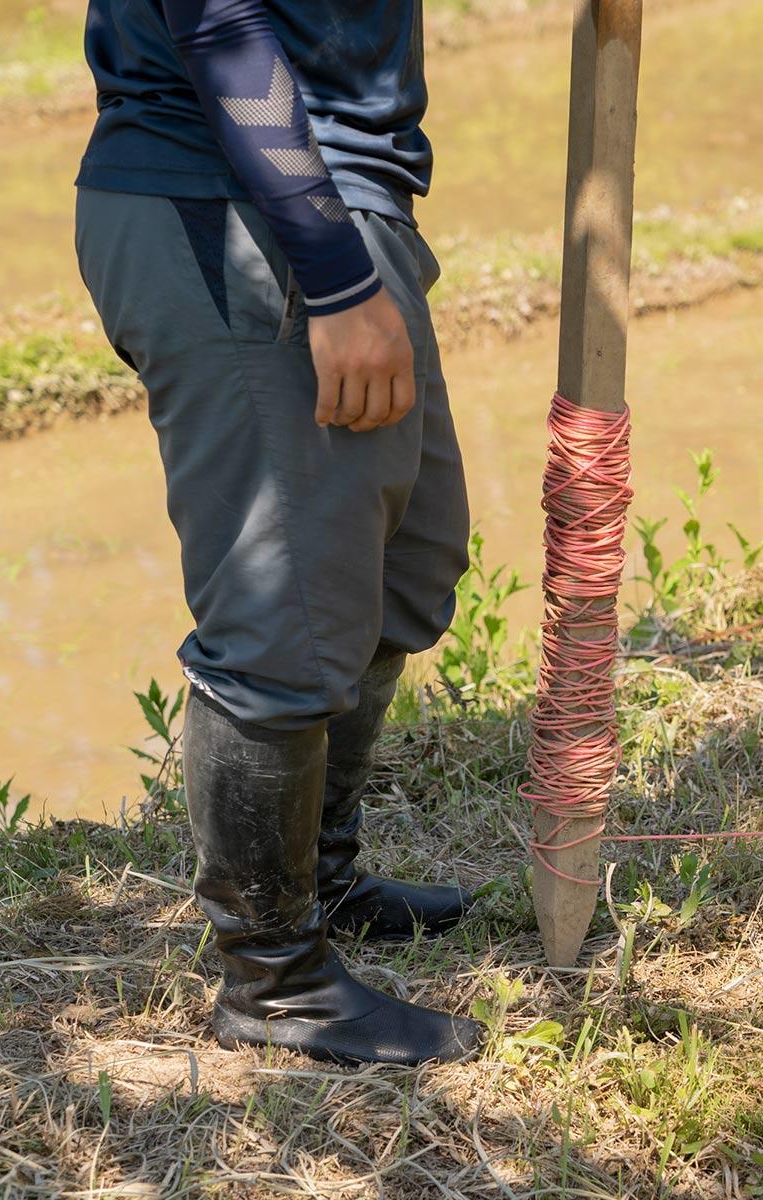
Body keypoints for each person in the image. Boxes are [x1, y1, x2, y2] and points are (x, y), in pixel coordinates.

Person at [72, 0, 481, 1066]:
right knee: (282, 616)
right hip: (242, 200)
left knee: (406, 568)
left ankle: (321, 878)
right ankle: (275, 977)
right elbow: (219, 20)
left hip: (335, 199)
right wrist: (337, 272)